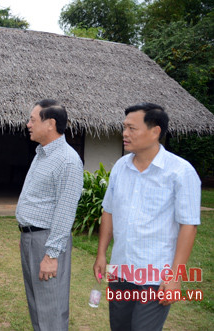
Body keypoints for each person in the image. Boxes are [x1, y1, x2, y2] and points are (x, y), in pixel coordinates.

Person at [93, 103, 200, 331]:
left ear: (155, 131)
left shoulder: (181, 172)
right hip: (120, 271)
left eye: (132, 128)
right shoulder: (121, 167)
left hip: (155, 275)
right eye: (124, 128)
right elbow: (108, 211)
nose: (125, 133)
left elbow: (188, 226)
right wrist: (101, 253)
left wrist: (175, 276)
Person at [16, 99, 83, 331]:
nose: (28, 124)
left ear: (50, 123)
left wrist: (52, 255)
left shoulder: (67, 160)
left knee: (50, 310)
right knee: (36, 305)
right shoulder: (42, 154)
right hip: (30, 239)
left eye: (33, 120)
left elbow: (66, 210)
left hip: (46, 241)